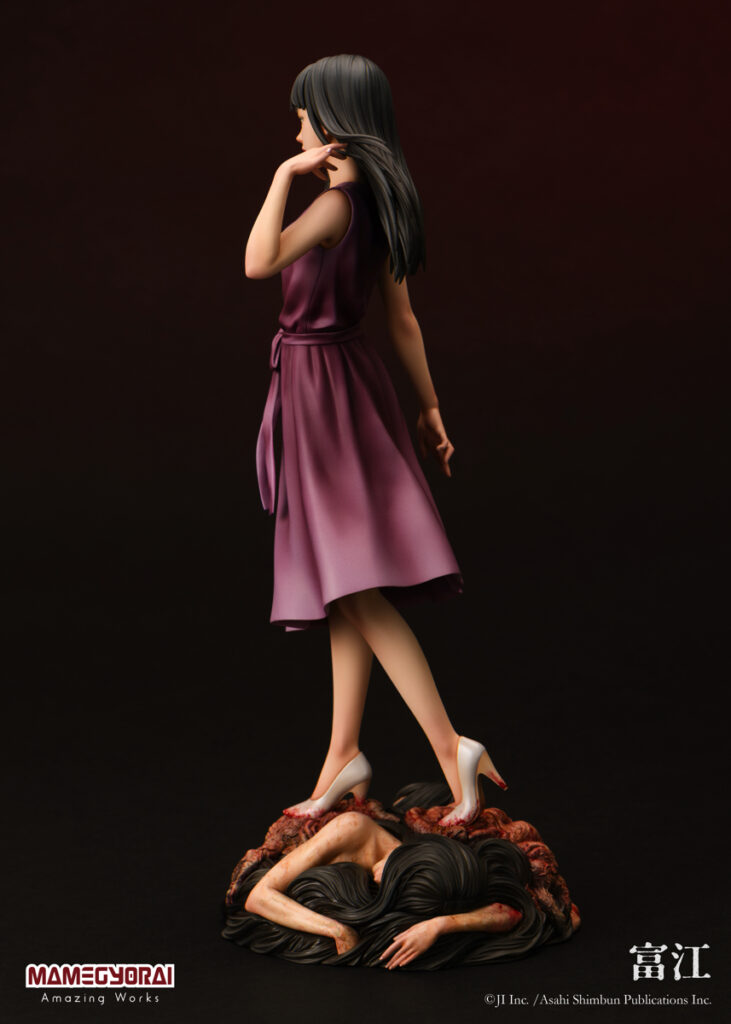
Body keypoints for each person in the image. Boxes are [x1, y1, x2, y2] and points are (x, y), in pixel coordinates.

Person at [246, 54, 505, 826]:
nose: (296, 134)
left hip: (321, 392)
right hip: (349, 384)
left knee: (352, 585)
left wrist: (282, 178)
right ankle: (343, 754)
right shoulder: (381, 204)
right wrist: (429, 409)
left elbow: (258, 261)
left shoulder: (336, 205)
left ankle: (450, 745)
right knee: (343, 584)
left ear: (332, 122)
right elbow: (402, 321)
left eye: (302, 119)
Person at [221, 785, 581, 969]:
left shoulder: (439, 878)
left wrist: (439, 926)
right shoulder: (351, 830)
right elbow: (258, 897)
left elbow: (510, 913)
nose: (378, 880)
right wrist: (336, 930)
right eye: (386, 874)